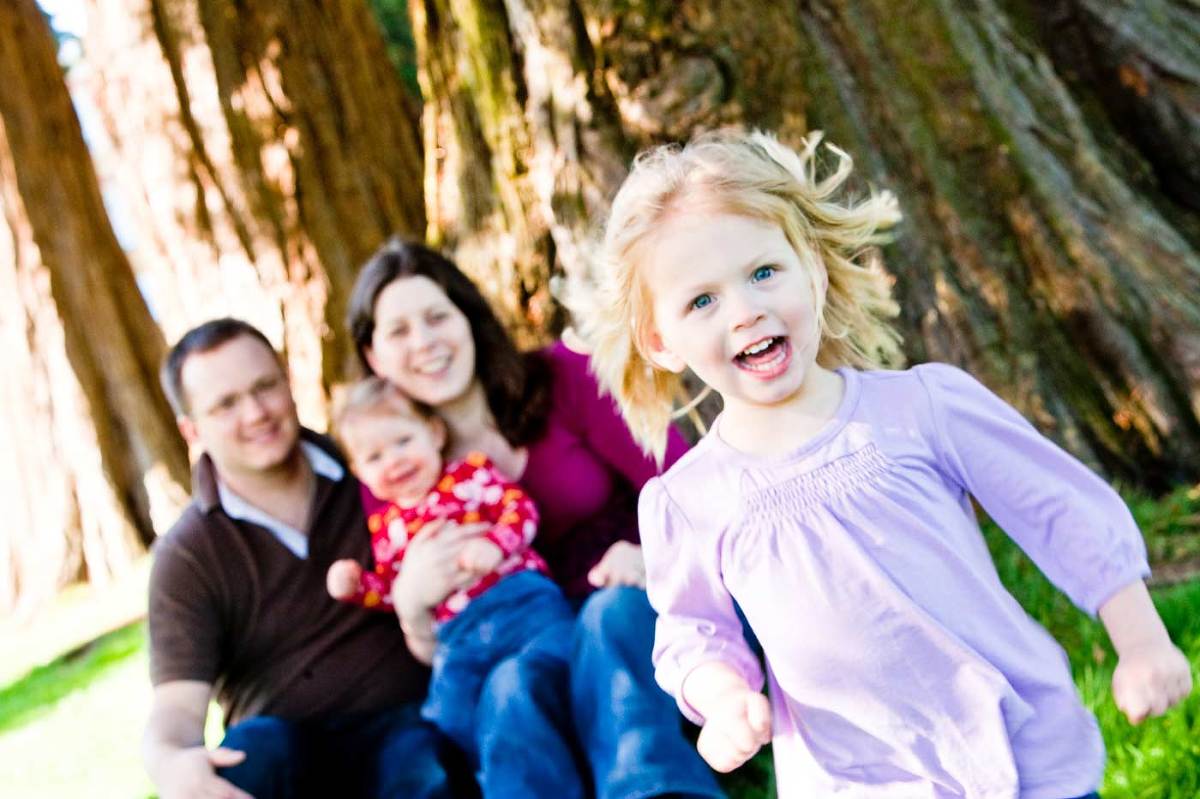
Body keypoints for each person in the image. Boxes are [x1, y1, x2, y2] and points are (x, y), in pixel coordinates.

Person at [568, 128, 1195, 798]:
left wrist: (1141, 639)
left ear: (811, 264)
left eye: (762, 272)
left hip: (1017, 753)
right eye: (703, 300)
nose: (745, 311)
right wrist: (723, 698)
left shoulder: (921, 407)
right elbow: (694, 630)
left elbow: (1059, 505)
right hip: (855, 780)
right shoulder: (689, 500)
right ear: (660, 340)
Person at [347, 240, 726, 799]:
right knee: (508, 687)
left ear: (469, 320)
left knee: (607, 617)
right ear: (374, 356)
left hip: (636, 605)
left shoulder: (566, 377)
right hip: (526, 651)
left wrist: (653, 557)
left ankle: (651, 789)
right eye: (398, 331)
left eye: (436, 317)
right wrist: (409, 605)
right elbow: (441, 641)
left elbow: (692, 488)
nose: (424, 342)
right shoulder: (391, 469)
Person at [142, 318, 453, 799]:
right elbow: (176, 709)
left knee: (423, 770)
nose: (255, 413)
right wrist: (171, 764)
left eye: (264, 387)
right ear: (191, 430)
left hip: (404, 730)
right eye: (225, 404)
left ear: (288, 383)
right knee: (248, 754)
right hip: (287, 756)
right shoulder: (189, 555)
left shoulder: (370, 468)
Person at [325, 376, 575, 777]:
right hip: (459, 639)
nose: (394, 461)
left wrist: (496, 544)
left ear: (435, 433)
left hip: (521, 603)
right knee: (449, 716)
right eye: (374, 458)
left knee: (541, 669)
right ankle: (493, 775)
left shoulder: (468, 478)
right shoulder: (388, 528)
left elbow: (520, 509)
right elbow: (396, 591)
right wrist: (359, 586)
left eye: (403, 441)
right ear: (359, 472)